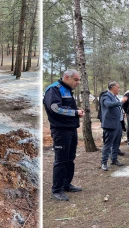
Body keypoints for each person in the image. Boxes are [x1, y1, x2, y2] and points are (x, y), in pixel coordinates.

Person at [43, 69, 85, 201]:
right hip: (60, 131)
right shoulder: (54, 89)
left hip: (71, 129)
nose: (78, 82)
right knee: (61, 160)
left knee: (70, 158)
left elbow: (65, 106)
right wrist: (75, 112)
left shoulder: (67, 90)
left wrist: (76, 110)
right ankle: (56, 190)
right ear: (67, 77)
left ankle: (67, 184)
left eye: (79, 80)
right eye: (76, 80)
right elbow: (55, 108)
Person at [100, 81, 128, 171]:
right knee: (108, 145)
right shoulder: (106, 96)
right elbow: (108, 104)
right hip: (110, 124)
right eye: (118, 87)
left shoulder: (115, 97)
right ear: (112, 87)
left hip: (118, 123)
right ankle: (103, 163)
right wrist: (121, 101)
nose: (119, 89)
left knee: (116, 143)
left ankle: (114, 159)